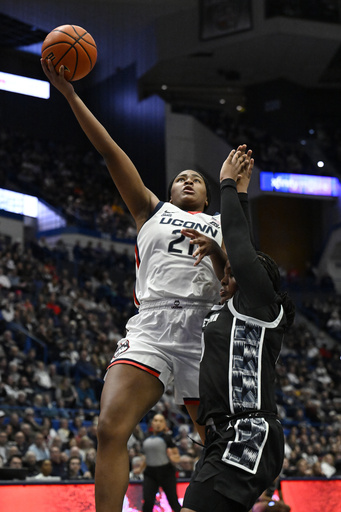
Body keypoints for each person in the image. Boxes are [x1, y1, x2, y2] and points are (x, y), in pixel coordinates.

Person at [41, 58, 228, 512]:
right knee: (109, 428)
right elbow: (109, 151)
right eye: (181, 177)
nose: (187, 180)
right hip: (153, 326)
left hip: (206, 332)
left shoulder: (226, 225)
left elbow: (244, 284)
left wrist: (220, 253)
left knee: (219, 445)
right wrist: (69, 94)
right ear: (170, 189)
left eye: (196, 180)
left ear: (207, 196)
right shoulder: (150, 209)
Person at [181, 148, 295, 512]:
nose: (225, 275)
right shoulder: (231, 308)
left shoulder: (261, 305)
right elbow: (234, 250)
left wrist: (227, 184)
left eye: (232, 274)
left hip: (249, 432)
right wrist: (242, 196)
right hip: (223, 435)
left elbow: (241, 251)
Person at [142, 413, 181, 512]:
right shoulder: (147, 438)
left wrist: (172, 456)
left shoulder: (167, 439)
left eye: (160, 421)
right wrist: (139, 468)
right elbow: (148, 457)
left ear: (164, 424)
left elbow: (177, 457)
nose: (157, 423)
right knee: (147, 503)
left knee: (173, 501)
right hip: (150, 473)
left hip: (166, 473)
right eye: (155, 420)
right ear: (151, 423)